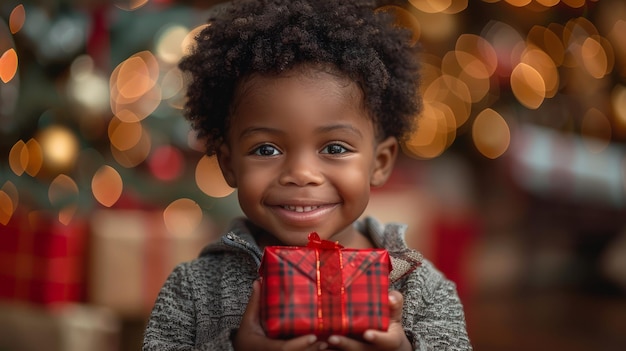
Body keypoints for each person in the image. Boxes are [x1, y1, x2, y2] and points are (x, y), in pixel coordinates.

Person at [143, 0, 472, 350]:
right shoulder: (194, 288)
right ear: (228, 164)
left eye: (334, 148)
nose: (301, 174)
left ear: (380, 162)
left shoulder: (421, 288)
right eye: (266, 150)